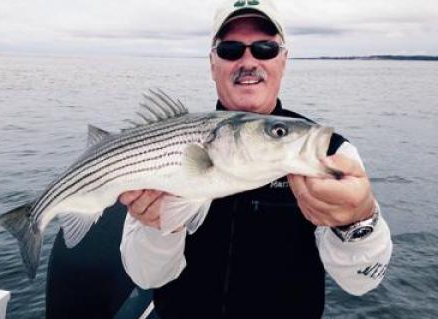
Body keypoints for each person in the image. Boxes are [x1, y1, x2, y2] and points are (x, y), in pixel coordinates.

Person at [119, 0, 393, 318]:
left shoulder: (329, 152)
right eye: (231, 49)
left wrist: (358, 221)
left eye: (265, 48)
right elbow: (146, 276)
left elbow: (361, 282)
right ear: (212, 64)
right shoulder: (165, 144)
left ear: (284, 60)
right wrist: (159, 228)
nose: (248, 61)